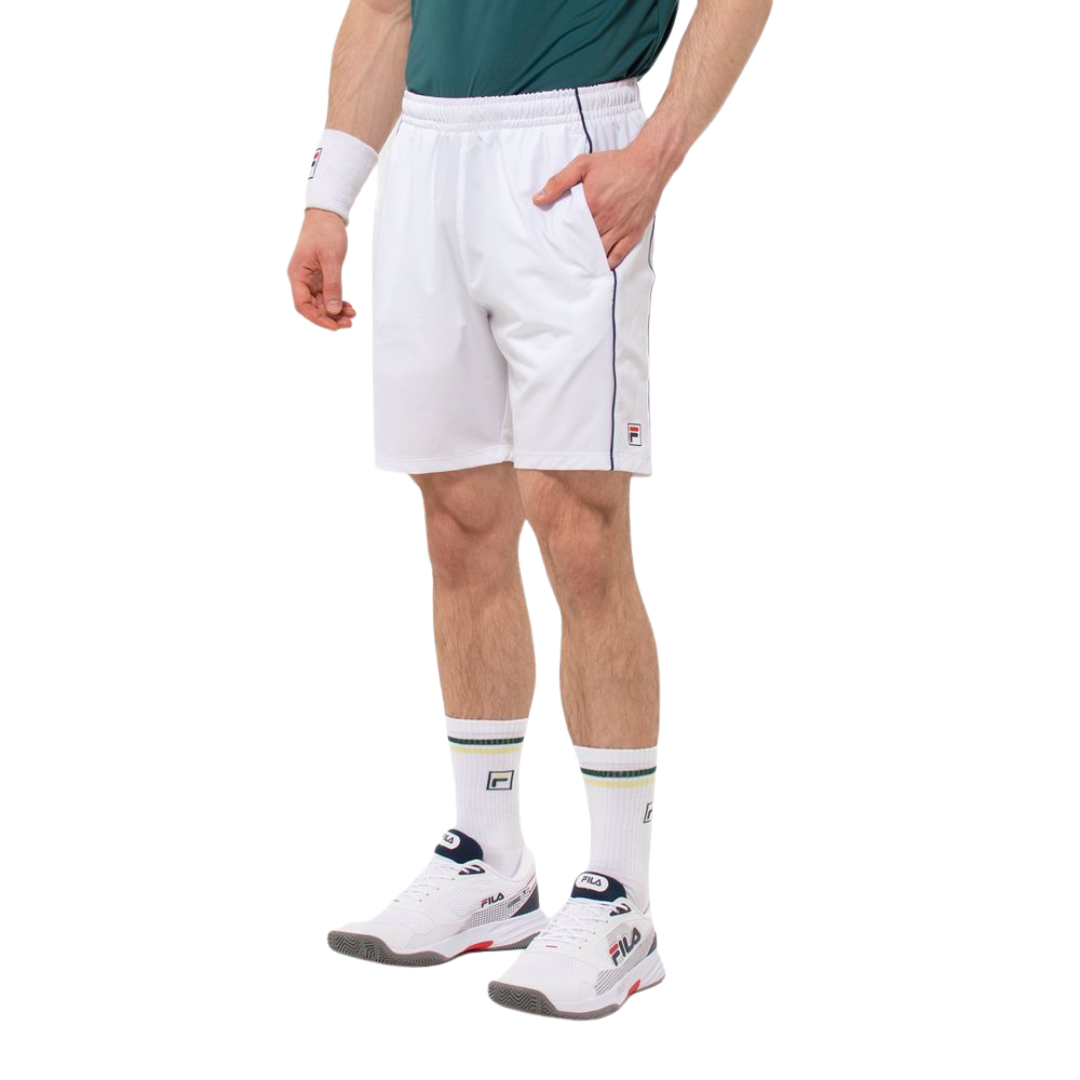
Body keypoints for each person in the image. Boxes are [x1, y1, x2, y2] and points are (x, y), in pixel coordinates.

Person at [287, 0, 771, 1020]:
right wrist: (330, 198)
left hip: (569, 147)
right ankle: (488, 862)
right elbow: (385, 8)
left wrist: (657, 152)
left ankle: (620, 898)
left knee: (580, 531)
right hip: (427, 155)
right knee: (458, 523)